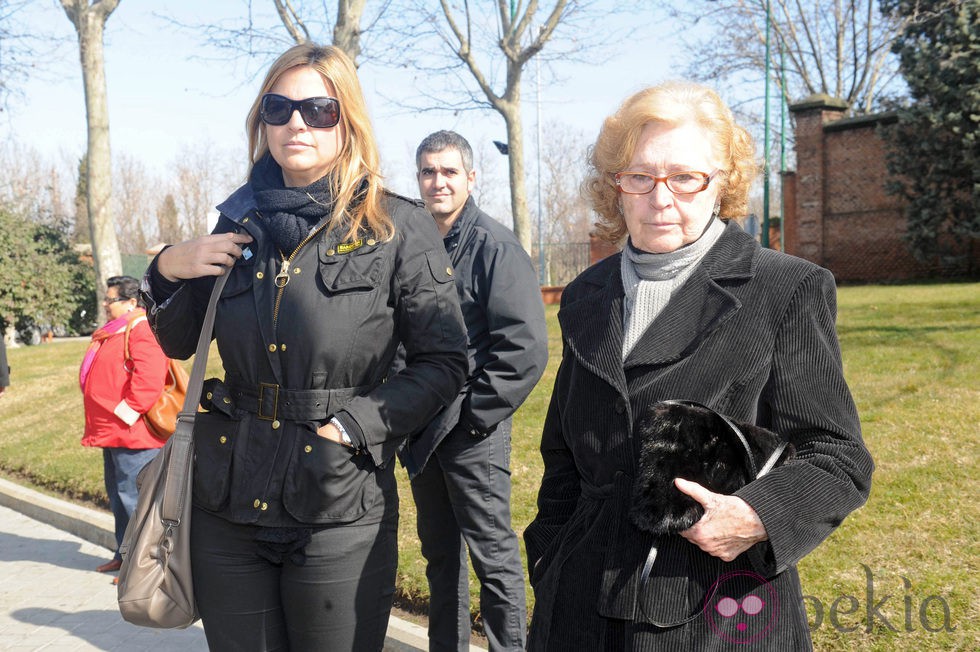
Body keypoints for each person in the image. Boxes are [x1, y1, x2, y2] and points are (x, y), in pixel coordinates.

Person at [523, 81, 874, 650]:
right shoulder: (586, 294)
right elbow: (563, 450)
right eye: (640, 176)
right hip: (578, 604)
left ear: (722, 183)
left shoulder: (784, 289)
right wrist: (549, 553)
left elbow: (838, 458)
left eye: (685, 177)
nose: (661, 197)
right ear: (617, 185)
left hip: (712, 609)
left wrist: (756, 515)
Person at [142, 43, 468, 651]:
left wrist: (356, 425)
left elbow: (445, 362)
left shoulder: (398, 226)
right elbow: (180, 340)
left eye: (319, 110)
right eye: (279, 107)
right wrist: (166, 269)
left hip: (337, 499)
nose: (297, 123)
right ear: (261, 121)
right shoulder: (235, 222)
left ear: (348, 121)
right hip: (230, 500)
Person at [400, 130, 549, 651]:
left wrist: (475, 417)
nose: (437, 181)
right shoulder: (413, 242)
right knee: (441, 558)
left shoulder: (493, 246)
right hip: (421, 429)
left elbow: (525, 348)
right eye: (427, 171)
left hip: (471, 431)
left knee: (493, 557)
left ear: (470, 177)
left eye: (448, 171)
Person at [79, 275, 168, 578]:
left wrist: (126, 413)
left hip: (133, 433)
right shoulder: (115, 331)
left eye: (110, 299)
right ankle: (123, 553)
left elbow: (150, 378)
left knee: (135, 499)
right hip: (113, 431)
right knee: (118, 496)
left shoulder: (141, 328)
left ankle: (140, 565)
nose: (105, 304)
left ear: (131, 302)